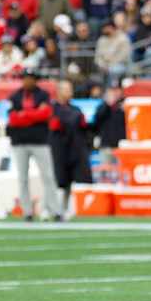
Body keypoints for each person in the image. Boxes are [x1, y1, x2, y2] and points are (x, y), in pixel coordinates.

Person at [6, 69, 62, 221]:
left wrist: (25, 114)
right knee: (23, 178)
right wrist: (34, 114)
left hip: (40, 141)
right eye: (25, 78)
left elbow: (45, 114)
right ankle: (27, 212)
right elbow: (13, 119)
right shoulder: (15, 96)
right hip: (20, 142)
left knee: (48, 176)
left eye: (30, 78)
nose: (28, 81)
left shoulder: (43, 94)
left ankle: (55, 210)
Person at [49, 79, 93, 218]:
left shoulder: (75, 109)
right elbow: (56, 124)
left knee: (72, 181)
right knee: (57, 180)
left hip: (74, 150)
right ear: (58, 91)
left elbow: (83, 125)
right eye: (66, 89)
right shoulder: (52, 108)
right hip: (58, 150)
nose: (70, 92)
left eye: (70, 89)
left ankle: (67, 209)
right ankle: (52, 209)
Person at [93, 81, 125, 165]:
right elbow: (96, 121)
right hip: (106, 147)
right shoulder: (103, 107)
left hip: (121, 147)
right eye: (113, 90)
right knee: (106, 174)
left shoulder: (124, 106)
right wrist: (109, 104)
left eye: (117, 90)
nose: (115, 93)